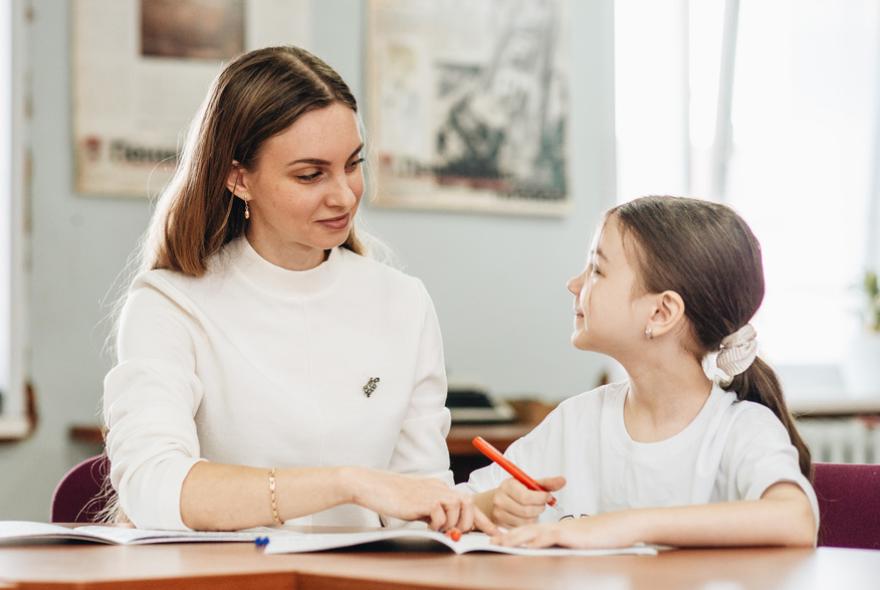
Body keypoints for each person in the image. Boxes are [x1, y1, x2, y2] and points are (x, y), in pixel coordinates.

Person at [103, 45, 494, 534]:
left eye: (352, 164)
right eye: (310, 175)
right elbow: (153, 488)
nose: (344, 195)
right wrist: (347, 484)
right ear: (238, 178)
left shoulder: (403, 302)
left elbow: (421, 500)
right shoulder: (170, 304)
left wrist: (476, 512)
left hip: (365, 573)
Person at [462, 196, 818, 548]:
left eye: (597, 270)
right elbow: (460, 505)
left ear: (661, 313)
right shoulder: (575, 422)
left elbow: (795, 519)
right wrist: (491, 504)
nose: (574, 284)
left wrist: (623, 526)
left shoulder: (741, 429)